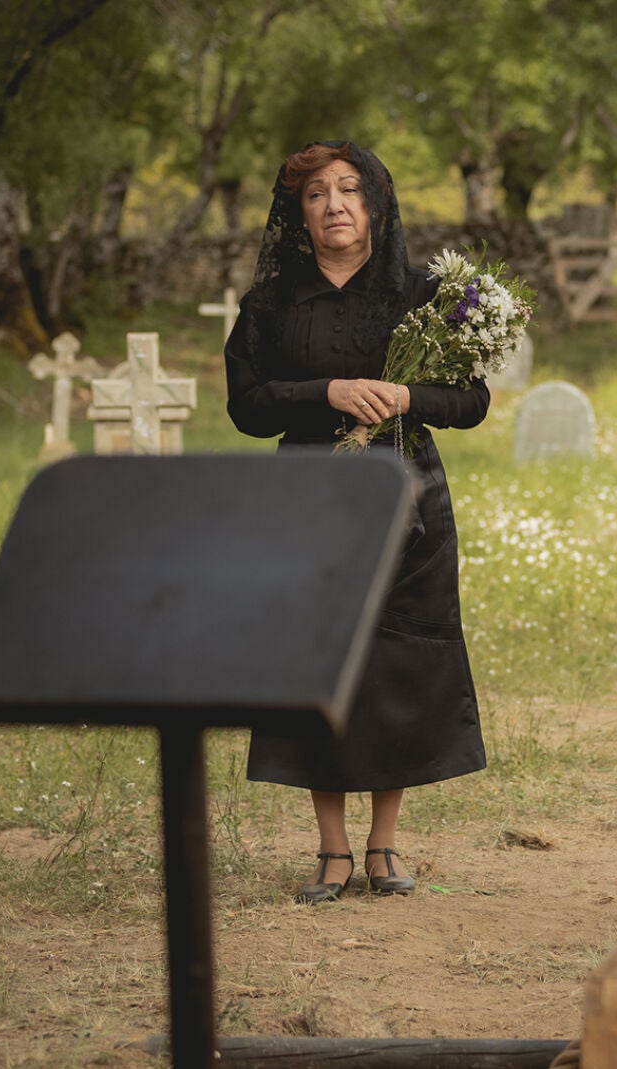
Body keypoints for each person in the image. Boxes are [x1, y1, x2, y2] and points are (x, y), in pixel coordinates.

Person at [225, 140, 489, 903]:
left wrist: (405, 397)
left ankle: (384, 846)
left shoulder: (420, 295)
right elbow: (247, 406)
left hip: (409, 496)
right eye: (316, 194)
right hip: (308, 500)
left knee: (398, 660)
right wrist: (330, 390)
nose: (334, 204)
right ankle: (332, 849)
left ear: (375, 203)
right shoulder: (271, 304)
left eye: (349, 189)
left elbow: (470, 402)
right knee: (322, 662)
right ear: (297, 214)